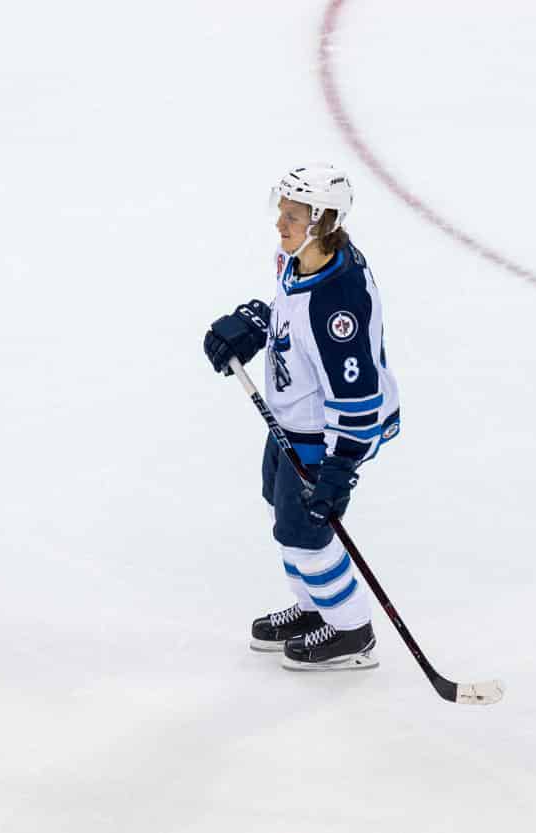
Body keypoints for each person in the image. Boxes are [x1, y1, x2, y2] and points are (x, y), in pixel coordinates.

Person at [203, 165, 400, 670]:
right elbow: (288, 311)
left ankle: (352, 632)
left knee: (305, 531)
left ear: (322, 221)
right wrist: (254, 323)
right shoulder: (297, 259)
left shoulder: (339, 304)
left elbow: (358, 398)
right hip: (291, 417)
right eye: (282, 211)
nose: (280, 223)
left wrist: (340, 467)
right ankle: (316, 611)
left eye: (292, 215)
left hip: (325, 432)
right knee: (284, 511)